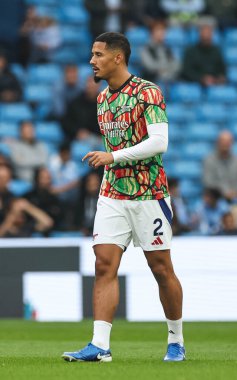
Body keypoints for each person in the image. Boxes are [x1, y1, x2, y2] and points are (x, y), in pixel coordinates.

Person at [62, 32, 185, 363]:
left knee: (161, 268)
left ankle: (176, 340)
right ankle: (100, 346)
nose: (92, 60)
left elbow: (159, 142)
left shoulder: (148, 92)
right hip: (112, 192)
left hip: (150, 194)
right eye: (92, 54)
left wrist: (112, 157)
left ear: (118, 58)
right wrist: (111, 162)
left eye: (98, 54)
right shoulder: (102, 99)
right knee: (104, 264)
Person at [203, 130, 237, 201]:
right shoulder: (209, 160)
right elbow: (208, 181)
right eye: (223, 141)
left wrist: (234, 192)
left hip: (235, 198)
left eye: (228, 141)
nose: (225, 143)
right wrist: (224, 192)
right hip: (216, 200)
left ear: (232, 143)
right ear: (218, 142)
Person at [61, 75, 101, 141]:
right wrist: (77, 132)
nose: (91, 86)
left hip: (97, 139)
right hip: (76, 138)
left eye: (94, 84)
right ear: (85, 84)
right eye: (89, 83)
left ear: (98, 86)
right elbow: (66, 121)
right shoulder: (75, 102)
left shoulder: (105, 104)